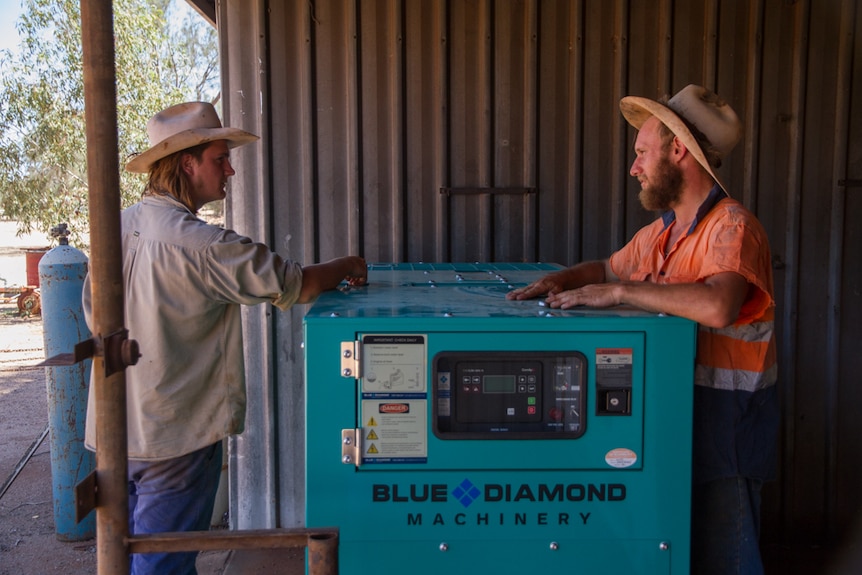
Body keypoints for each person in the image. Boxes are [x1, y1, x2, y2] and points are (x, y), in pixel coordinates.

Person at [82, 101, 367, 575]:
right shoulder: (203, 246)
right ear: (187, 163)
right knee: (160, 568)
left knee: (120, 556)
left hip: (110, 432)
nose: (230, 170)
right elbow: (296, 284)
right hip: (173, 440)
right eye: (220, 158)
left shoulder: (115, 227)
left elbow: (93, 314)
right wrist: (350, 265)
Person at [508, 85, 778, 575]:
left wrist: (622, 294)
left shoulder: (731, 227)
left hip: (726, 425)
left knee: (726, 557)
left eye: (641, 153)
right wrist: (560, 280)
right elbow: (607, 270)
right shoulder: (663, 232)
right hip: (671, 419)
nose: (634, 168)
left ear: (678, 150)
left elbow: (718, 306)